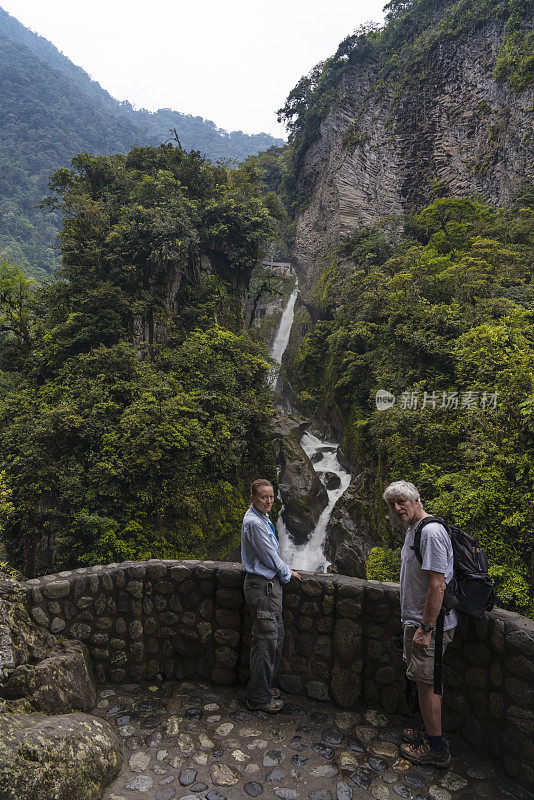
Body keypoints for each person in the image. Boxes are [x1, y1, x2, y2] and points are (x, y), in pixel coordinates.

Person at [383, 480, 457, 768]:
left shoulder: (431, 532)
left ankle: (436, 748)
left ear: (416, 500)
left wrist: (426, 628)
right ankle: (428, 731)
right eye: (392, 505)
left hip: (431, 627)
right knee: (422, 680)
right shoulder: (414, 530)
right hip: (417, 622)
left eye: (402, 502)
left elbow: (437, 585)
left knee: (428, 685)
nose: (397, 508)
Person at [241, 478, 301, 712]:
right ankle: (258, 697)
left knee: (274, 638)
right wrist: (288, 571)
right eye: (263, 497)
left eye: (271, 496)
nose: (268, 501)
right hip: (262, 587)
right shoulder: (254, 522)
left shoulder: (262, 518)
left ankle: (264, 688)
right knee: (265, 642)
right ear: (253, 498)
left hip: (269, 586)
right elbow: (268, 556)